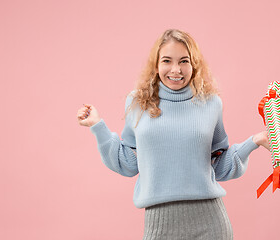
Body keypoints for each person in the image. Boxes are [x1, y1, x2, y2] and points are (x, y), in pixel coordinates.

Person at [77, 29, 269, 240]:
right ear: (156, 64)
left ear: (194, 64)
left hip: (211, 223)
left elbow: (218, 165)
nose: (176, 70)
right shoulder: (137, 103)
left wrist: (254, 141)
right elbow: (130, 163)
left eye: (184, 61)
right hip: (159, 225)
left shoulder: (211, 103)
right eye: (167, 60)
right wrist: (97, 126)